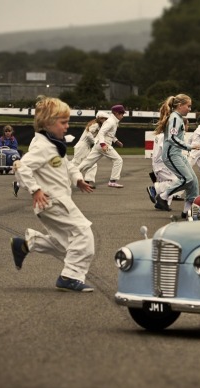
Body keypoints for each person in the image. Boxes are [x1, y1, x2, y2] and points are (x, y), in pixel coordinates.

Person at [10, 95, 95, 293]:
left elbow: (66, 164)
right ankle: (70, 276)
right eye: (63, 122)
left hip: (54, 201)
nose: (67, 126)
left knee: (66, 242)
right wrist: (35, 189)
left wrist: (78, 179)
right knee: (84, 235)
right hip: (53, 201)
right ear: (48, 123)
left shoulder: (54, 143)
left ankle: (28, 243)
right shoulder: (42, 146)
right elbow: (21, 167)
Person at [153, 94, 198, 218]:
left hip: (177, 154)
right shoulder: (174, 118)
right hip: (171, 155)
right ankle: (162, 196)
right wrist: (189, 147)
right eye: (188, 106)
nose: (190, 109)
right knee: (186, 179)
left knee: (193, 181)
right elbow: (172, 138)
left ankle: (187, 211)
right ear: (180, 105)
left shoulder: (177, 118)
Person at [77, 104, 126, 188]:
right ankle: (112, 181)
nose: (123, 116)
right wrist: (103, 144)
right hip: (104, 145)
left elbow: (108, 134)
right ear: (117, 113)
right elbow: (101, 133)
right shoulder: (111, 121)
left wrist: (116, 141)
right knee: (118, 160)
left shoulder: (112, 121)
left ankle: (70, 174)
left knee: (88, 163)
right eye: (122, 114)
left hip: (99, 145)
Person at [70, 111, 108, 189]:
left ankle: (87, 181)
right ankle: (61, 177)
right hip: (82, 146)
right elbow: (88, 134)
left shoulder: (97, 125)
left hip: (85, 146)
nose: (106, 121)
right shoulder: (96, 124)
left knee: (92, 163)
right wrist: (95, 142)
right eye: (104, 119)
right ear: (100, 119)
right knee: (76, 163)